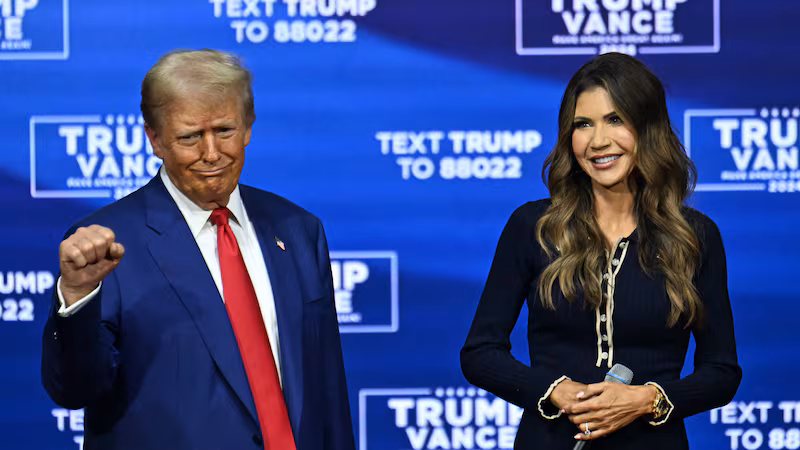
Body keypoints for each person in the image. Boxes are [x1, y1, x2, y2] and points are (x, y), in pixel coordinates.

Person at [41, 49, 356, 450]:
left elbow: (327, 391)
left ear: (248, 128)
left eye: (224, 130)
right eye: (190, 137)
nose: (211, 154)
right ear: (155, 139)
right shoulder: (108, 244)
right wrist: (78, 299)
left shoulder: (297, 231)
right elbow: (74, 389)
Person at [460, 53, 741, 449]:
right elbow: (479, 353)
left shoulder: (695, 236)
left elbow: (721, 371)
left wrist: (648, 399)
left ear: (647, 129)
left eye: (615, 120)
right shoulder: (534, 227)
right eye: (583, 124)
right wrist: (556, 390)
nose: (598, 141)